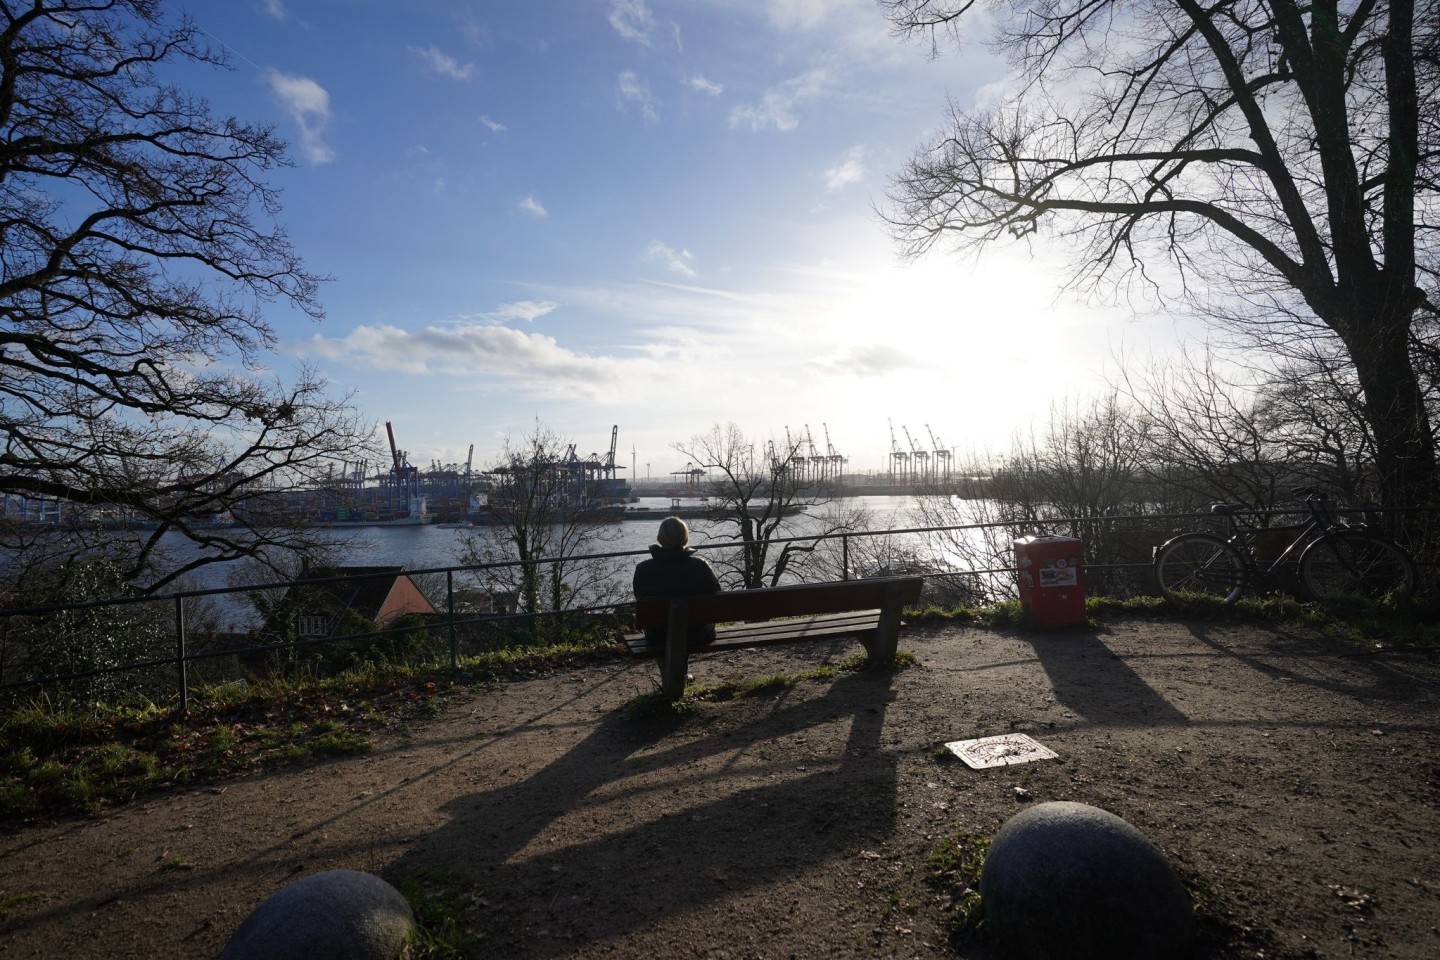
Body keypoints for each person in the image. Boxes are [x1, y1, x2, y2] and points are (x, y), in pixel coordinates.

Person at [632, 516, 722, 644]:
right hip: (698, 635)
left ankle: (669, 664)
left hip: (658, 637)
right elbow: (716, 594)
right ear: (684, 537)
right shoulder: (700, 566)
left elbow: (639, 596)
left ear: (660, 537)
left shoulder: (643, 569)